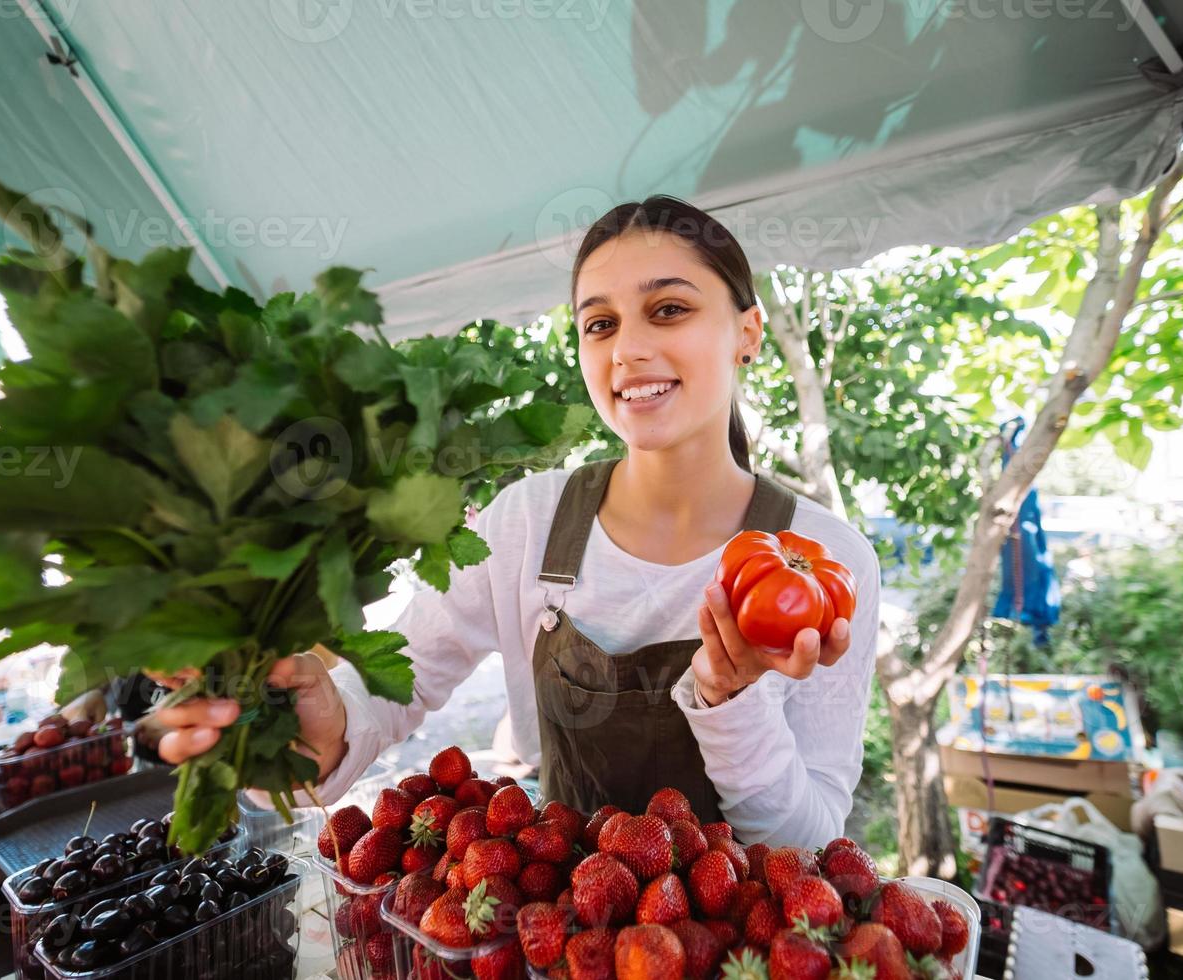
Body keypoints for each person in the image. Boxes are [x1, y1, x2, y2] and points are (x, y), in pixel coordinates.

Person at [154, 196, 881, 847]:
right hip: (560, 943)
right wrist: (322, 721)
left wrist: (732, 703)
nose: (626, 349)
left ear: (746, 332)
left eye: (668, 309)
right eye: (599, 324)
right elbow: (396, 680)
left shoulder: (828, 563)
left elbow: (810, 845)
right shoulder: (530, 523)